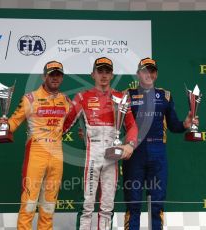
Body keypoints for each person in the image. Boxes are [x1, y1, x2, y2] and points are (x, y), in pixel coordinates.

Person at [123, 57, 199, 230]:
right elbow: (115, 123)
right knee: (133, 204)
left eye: (152, 71)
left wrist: (185, 125)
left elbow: (174, 126)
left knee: (156, 204)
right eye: (144, 70)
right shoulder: (127, 94)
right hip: (134, 153)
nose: (148, 74)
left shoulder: (165, 95)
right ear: (138, 74)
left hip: (158, 154)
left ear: (156, 74)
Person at [63, 57, 138, 230]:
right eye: (100, 71)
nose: (104, 75)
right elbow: (65, 125)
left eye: (107, 71)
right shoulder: (82, 97)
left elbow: (132, 125)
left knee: (107, 206)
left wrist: (130, 144)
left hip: (113, 153)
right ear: (93, 74)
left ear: (112, 75)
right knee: (87, 204)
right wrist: (44, 133)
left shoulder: (121, 98)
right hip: (93, 154)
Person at [0, 61, 71, 230]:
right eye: (51, 74)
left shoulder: (66, 100)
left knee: (49, 204)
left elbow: (69, 124)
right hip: (36, 152)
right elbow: (14, 122)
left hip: (57, 154)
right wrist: (5, 125)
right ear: (44, 76)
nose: (54, 78)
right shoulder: (30, 98)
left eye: (57, 75)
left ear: (62, 78)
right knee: (29, 202)